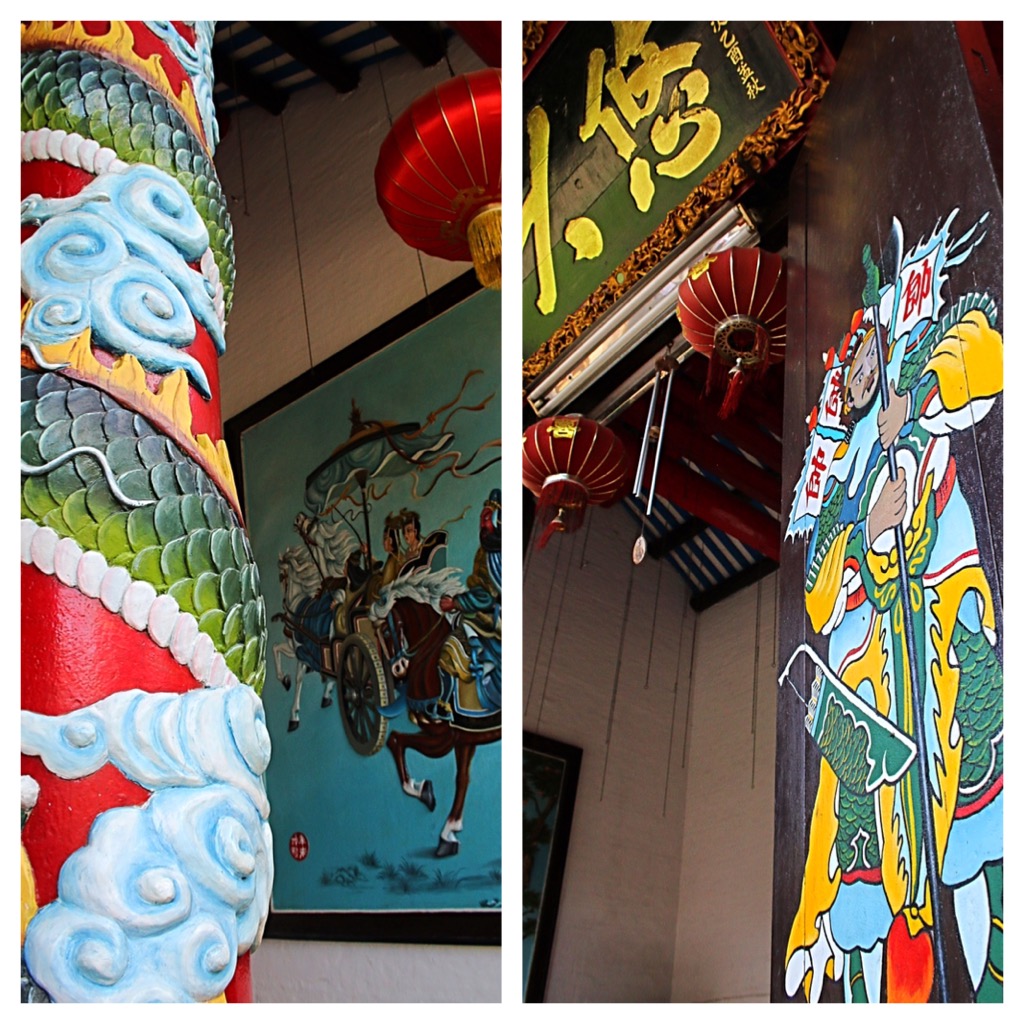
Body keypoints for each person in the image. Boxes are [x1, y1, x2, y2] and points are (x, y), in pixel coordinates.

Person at [785, 292, 1003, 1002]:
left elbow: (981, 361)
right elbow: (818, 597)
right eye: (849, 372)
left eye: (868, 359)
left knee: (978, 795)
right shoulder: (839, 478)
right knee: (866, 863)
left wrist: (915, 405)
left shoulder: (915, 379)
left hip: (945, 629)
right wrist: (866, 530)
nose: (861, 375)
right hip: (872, 687)